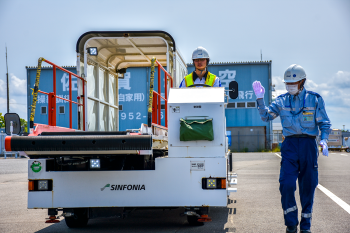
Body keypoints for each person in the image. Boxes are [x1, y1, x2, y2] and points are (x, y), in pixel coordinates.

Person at [252, 64, 331, 233]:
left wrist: (324, 140)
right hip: (289, 146)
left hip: (309, 145)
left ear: (302, 81)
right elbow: (266, 116)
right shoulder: (281, 100)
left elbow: (324, 122)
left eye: (293, 82)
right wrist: (260, 99)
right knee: (286, 184)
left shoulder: (314, 99)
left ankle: (306, 226)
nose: (290, 85)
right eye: (287, 83)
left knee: (308, 186)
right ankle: (290, 224)